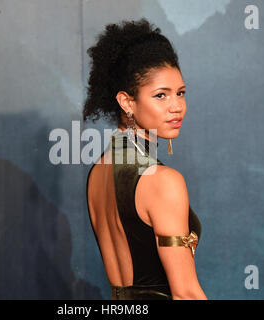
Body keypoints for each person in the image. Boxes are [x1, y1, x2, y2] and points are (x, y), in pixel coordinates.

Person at [83, 18, 207, 300]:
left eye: (181, 93)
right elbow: (186, 294)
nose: (177, 107)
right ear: (127, 102)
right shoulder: (164, 182)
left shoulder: (98, 171)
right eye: (160, 95)